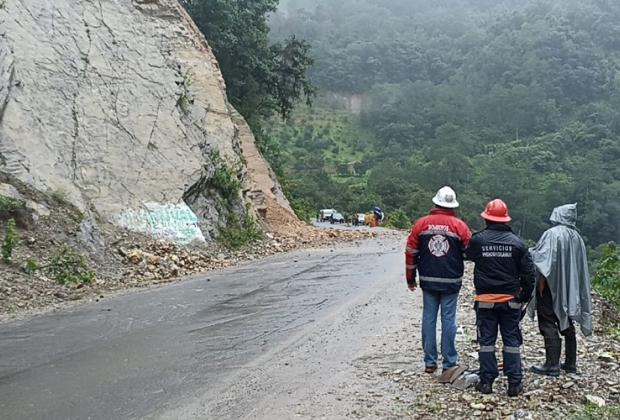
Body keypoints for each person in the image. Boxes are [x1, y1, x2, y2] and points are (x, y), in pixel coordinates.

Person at [465, 199, 535, 397]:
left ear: (487, 218)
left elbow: (468, 255)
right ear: (505, 220)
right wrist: (524, 296)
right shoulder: (518, 243)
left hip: (486, 300)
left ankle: (486, 382)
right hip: (510, 301)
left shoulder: (478, 240)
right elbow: (529, 275)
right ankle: (514, 384)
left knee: (486, 342)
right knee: (511, 341)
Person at [405, 186, 472, 374]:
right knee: (449, 320)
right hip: (451, 281)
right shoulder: (460, 226)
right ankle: (449, 363)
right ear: (453, 206)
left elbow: (410, 253)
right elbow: (470, 251)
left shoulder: (421, 224)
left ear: (435, 202)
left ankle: (430, 362)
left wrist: (411, 279)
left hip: (428, 280)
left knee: (429, 318)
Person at [529, 203, 592, 377]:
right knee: (566, 318)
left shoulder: (552, 234)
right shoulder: (577, 237)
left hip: (550, 284)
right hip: (569, 285)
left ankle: (551, 364)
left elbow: (543, 261)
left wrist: (540, 281)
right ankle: (570, 363)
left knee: (548, 320)